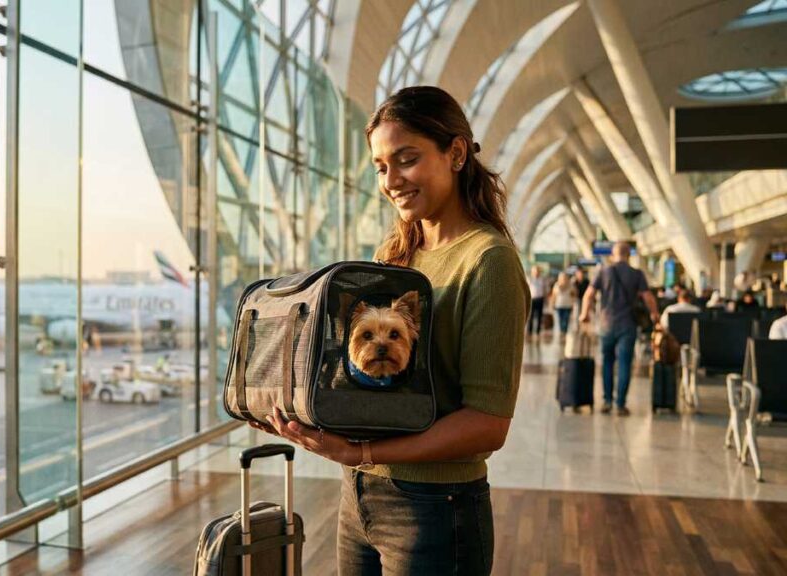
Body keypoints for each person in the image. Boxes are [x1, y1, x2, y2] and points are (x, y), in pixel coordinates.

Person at [251, 86, 529, 575]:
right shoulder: (394, 254)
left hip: (435, 508)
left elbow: (489, 422)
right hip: (359, 496)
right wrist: (301, 413)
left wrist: (361, 450)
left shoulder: (489, 262)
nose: (391, 180)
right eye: (381, 167)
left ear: (457, 153)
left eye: (406, 159)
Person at [579, 241, 659, 416]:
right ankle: (620, 404)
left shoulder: (603, 272)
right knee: (624, 364)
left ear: (613, 254)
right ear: (629, 255)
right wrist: (655, 315)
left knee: (607, 362)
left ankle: (607, 401)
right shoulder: (637, 274)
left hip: (606, 324)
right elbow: (648, 297)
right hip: (628, 325)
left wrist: (584, 314)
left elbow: (589, 295)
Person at [527, 265, 547, 339]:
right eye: (534, 271)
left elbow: (545, 289)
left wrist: (546, 299)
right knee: (531, 316)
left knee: (539, 316)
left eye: (537, 271)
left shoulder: (542, 279)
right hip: (532, 299)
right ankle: (530, 331)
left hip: (540, 299)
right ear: (532, 272)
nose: (536, 272)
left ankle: (538, 332)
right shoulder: (529, 279)